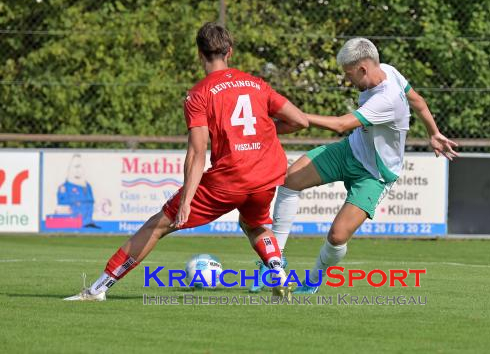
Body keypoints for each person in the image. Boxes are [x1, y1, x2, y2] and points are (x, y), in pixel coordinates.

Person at [65, 22, 308, 301]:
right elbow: (300, 120)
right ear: (229, 51)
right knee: (255, 225)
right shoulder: (257, 84)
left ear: (199, 53)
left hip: (231, 178)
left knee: (157, 225)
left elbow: (196, 153)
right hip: (266, 175)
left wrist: (186, 201)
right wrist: (263, 132)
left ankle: (98, 289)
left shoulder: (199, 94)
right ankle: (277, 271)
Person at [250, 37, 458, 294]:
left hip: (375, 174)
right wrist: (434, 132)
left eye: (349, 75)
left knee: (337, 236)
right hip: (351, 150)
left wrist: (298, 117)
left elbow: (340, 124)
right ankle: (274, 260)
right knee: (290, 179)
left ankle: (313, 281)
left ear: (363, 69)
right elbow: (418, 101)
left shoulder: (387, 98)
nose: (348, 80)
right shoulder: (390, 71)